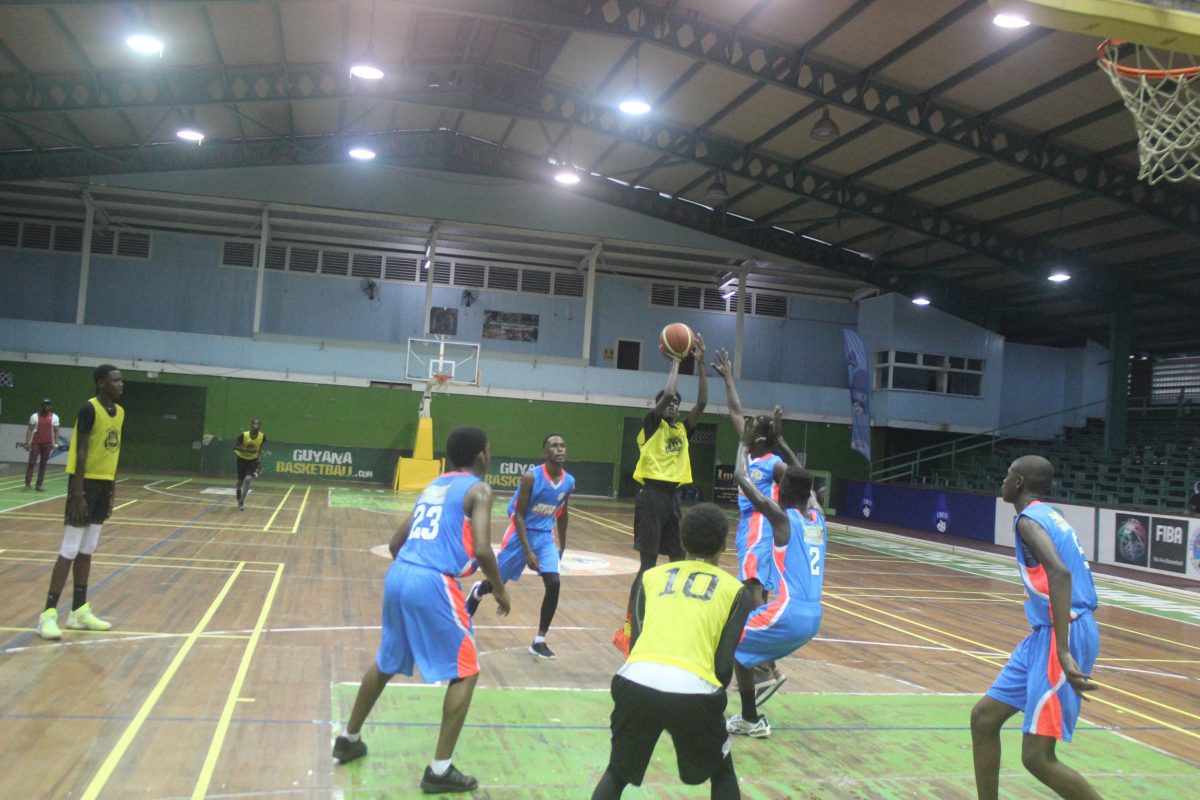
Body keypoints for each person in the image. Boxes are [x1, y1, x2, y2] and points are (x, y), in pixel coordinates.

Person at [332, 427, 511, 794]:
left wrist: (413, 572)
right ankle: (440, 771)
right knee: (466, 670)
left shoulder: (435, 486)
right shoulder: (479, 489)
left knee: (386, 662)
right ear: (480, 456)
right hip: (432, 580)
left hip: (399, 573)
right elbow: (481, 549)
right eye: (489, 450)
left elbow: (397, 543)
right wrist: (500, 588)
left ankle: (349, 739)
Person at [592, 503, 754, 800]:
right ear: (723, 544)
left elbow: (636, 644)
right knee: (722, 774)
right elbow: (721, 667)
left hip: (635, 680)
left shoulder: (650, 578)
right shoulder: (736, 591)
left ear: (681, 541)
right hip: (693, 688)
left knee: (616, 773)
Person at [970, 455, 1101, 800]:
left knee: (1037, 758)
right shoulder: (1050, 515)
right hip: (1044, 633)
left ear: (1019, 483)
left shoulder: (1029, 521)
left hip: (1065, 631)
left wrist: (1062, 649)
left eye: (1008, 474)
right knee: (984, 718)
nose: (1003, 480)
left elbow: (1060, 573)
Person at [725, 417, 826, 739]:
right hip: (813, 617)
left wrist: (744, 440)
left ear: (780, 490)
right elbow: (805, 484)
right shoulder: (819, 520)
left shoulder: (782, 520)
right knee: (741, 642)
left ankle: (743, 714)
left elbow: (742, 476)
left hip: (788, 612)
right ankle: (754, 700)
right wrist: (782, 444)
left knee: (727, 640)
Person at [711, 348, 803, 704]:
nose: (746, 423)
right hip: (751, 529)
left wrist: (782, 441)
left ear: (761, 437)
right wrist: (729, 379)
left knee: (751, 596)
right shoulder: (749, 451)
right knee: (753, 596)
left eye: (753, 424)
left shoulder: (771, 461)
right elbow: (735, 410)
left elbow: (799, 476)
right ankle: (767, 668)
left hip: (760, 528)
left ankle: (765, 669)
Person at [613, 331, 707, 656]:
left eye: (677, 405)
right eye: (669, 403)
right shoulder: (650, 425)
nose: (674, 406)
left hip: (673, 499)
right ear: (660, 407)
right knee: (648, 565)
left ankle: (672, 616)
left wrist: (702, 365)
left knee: (679, 559)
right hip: (650, 496)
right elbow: (667, 394)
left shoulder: (682, 430)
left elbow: (703, 404)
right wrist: (676, 364)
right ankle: (631, 625)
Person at [465, 433, 573, 659]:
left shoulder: (569, 482)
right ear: (545, 452)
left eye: (562, 445)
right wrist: (527, 551)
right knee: (497, 581)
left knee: (553, 582)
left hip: (545, 537)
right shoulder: (531, 477)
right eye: (554, 446)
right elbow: (519, 515)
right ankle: (477, 592)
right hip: (519, 534)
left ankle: (539, 640)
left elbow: (562, 514)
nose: (560, 449)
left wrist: (561, 545)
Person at [36, 365, 124, 640]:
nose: (121, 384)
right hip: (83, 484)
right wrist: (77, 493)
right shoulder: (88, 409)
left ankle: (79, 611)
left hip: (103, 485)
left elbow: (112, 453)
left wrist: (111, 490)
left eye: (121, 380)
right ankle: (48, 615)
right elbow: (82, 449)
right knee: (70, 549)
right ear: (101, 383)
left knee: (88, 549)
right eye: (116, 380)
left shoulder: (119, 413)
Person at [23, 397, 61, 492]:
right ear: (42, 405)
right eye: (44, 404)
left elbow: (56, 431)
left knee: (43, 465)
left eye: (48, 404)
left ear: (51, 406)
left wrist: (56, 443)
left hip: (47, 444)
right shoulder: (34, 416)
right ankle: (27, 485)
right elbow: (30, 429)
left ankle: (39, 485)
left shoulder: (55, 417)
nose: (46, 406)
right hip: (36, 443)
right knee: (31, 463)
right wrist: (27, 442)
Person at [233, 418, 265, 511]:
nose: (256, 426)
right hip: (242, 459)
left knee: (248, 479)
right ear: (251, 425)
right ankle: (238, 490)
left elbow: (259, 448)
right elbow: (235, 447)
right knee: (240, 481)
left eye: (258, 424)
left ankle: (241, 501)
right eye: (254, 424)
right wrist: (247, 450)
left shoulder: (262, 437)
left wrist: (259, 458)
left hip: (252, 460)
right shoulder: (244, 435)